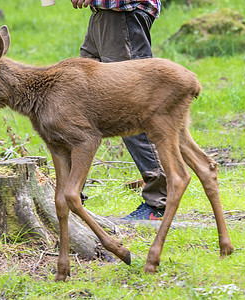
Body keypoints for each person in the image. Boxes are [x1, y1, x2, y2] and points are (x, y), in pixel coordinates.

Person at [71, 0, 167, 220]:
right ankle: (72, 196)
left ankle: (159, 202)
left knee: (131, 108)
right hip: (101, 16)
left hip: (124, 15)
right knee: (77, 106)